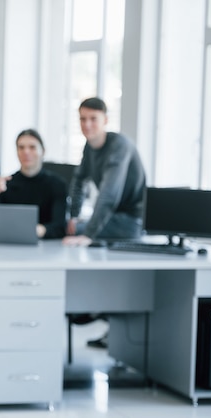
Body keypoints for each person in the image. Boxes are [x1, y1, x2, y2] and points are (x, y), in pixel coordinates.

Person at [63, 97, 147, 349]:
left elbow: (109, 194)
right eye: (82, 119)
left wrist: (87, 233)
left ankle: (91, 306)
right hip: (111, 219)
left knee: (73, 236)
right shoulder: (90, 147)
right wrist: (73, 216)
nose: (87, 125)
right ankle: (91, 305)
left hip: (131, 221)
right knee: (68, 229)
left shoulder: (119, 146)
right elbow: (79, 181)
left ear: (105, 121)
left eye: (93, 119)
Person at [0, 128, 67, 239]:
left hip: (46, 246)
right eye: (21, 147)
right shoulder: (6, 184)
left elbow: (60, 226)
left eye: (32, 147)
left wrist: (35, 230)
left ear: (43, 151)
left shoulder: (57, 184)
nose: (26, 152)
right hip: (9, 244)